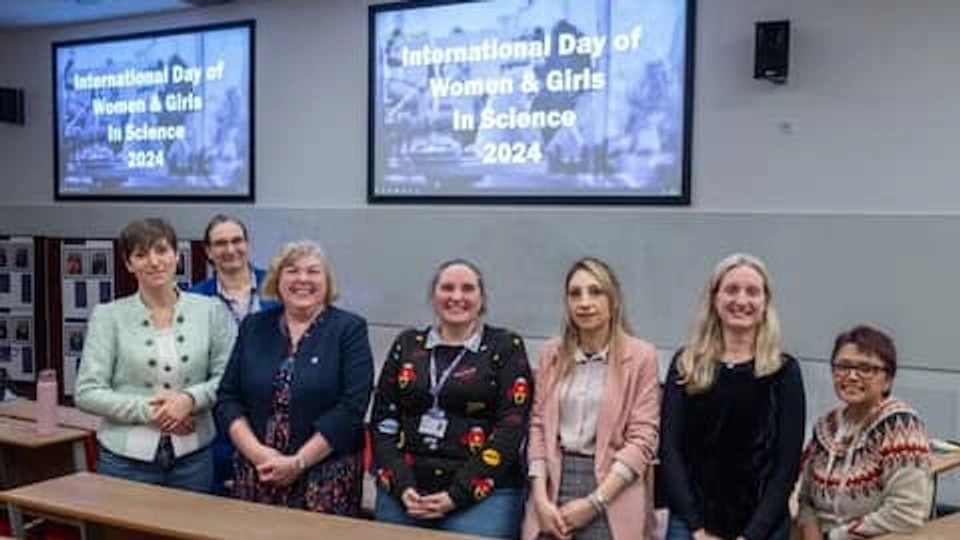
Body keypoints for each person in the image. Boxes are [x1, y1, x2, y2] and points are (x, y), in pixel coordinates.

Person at [371, 259, 532, 538]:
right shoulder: (407, 344)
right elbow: (383, 422)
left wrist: (457, 494)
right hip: (405, 494)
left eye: (467, 289)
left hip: (482, 497)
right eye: (447, 288)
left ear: (481, 299)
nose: (457, 297)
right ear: (434, 296)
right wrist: (403, 486)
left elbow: (511, 429)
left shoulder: (506, 346)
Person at [215, 240, 374, 515]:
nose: (302, 279)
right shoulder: (254, 327)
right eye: (292, 270)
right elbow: (228, 397)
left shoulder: (349, 329)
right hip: (258, 472)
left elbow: (352, 407)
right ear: (277, 280)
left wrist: (298, 462)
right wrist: (258, 454)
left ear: (327, 281)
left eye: (313, 271)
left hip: (325, 478)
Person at [75, 218, 232, 492]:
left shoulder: (210, 311)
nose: (154, 261)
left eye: (161, 250)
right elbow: (87, 392)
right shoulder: (109, 316)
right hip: (124, 461)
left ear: (176, 256)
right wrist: (152, 412)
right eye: (140, 254)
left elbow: (228, 379)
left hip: (193, 459)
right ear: (128, 264)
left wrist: (189, 399)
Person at [659, 253, 806, 540]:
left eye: (753, 292)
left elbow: (787, 464)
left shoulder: (784, 371)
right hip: (691, 524)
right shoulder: (685, 363)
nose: (741, 300)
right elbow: (670, 450)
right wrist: (696, 528)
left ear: (765, 303)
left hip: (762, 525)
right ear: (715, 299)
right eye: (731, 289)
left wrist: (752, 534)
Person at [521, 257, 660, 540]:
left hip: (612, 486)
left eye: (595, 291)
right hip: (552, 481)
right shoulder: (552, 353)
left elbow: (642, 439)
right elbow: (537, 426)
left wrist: (594, 502)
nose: (584, 302)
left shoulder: (642, 356)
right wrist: (539, 497)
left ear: (614, 300)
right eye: (575, 294)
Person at [795, 325, 932, 540]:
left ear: (888, 379)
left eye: (866, 369)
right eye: (843, 366)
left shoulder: (900, 426)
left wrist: (834, 536)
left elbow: (907, 513)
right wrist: (809, 526)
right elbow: (805, 498)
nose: (851, 376)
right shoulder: (825, 426)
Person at [191, 214, 276, 495]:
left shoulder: (278, 289)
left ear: (248, 244)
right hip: (218, 419)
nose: (230, 249)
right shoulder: (194, 300)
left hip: (273, 413)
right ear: (208, 251)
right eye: (220, 243)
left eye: (236, 241)